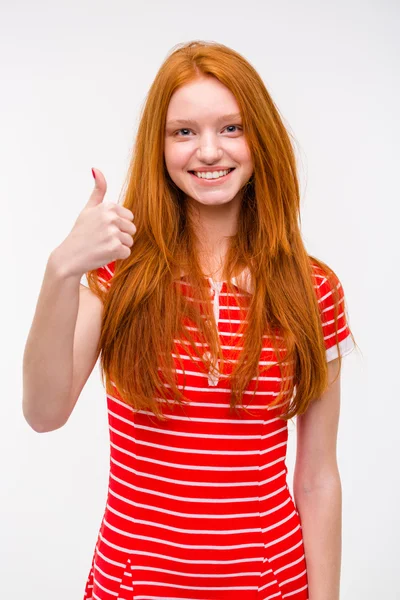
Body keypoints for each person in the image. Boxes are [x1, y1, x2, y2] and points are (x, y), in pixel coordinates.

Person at [23, 40, 356, 600]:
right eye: (184, 132)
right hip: (133, 588)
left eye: (231, 128)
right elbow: (43, 412)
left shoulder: (312, 289)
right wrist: (61, 270)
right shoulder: (117, 279)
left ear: (261, 140)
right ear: (160, 145)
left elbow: (319, 477)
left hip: (271, 589)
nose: (208, 151)